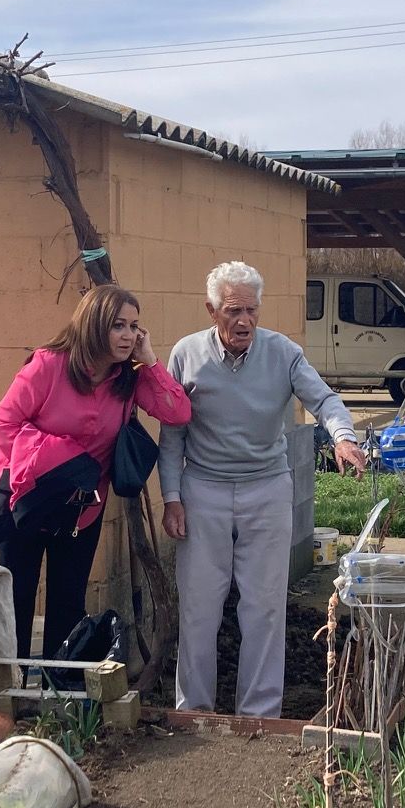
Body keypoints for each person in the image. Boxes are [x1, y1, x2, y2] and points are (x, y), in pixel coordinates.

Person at [160, 261, 368, 716]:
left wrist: (343, 436)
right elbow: (172, 435)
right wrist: (171, 497)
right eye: (233, 311)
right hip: (204, 490)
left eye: (252, 310)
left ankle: (259, 716)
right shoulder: (185, 354)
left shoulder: (283, 353)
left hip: (266, 489)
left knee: (264, 607)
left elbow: (324, 399)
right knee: (199, 609)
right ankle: (193, 710)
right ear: (211, 310)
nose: (244, 321)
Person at [0, 284, 191, 660]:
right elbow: (1, 426)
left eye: (134, 327)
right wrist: (60, 459)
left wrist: (150, 361)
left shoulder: (128, 377)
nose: (128, 336)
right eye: (118, 326)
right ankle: (7, 700)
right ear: (95, 325)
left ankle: (57, 700)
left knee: (68, 604)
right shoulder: (49, 365)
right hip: (28, 501)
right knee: (14, 602)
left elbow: (177, 412)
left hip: (82, 510)